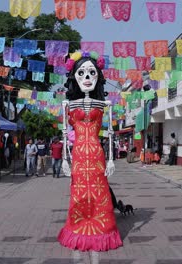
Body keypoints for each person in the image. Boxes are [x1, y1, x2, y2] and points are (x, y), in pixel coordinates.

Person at [58, 50, 122, 257]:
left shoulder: (105, 104)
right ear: (74, 77)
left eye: (92, 73)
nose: (87, 77)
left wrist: (112, 159)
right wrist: (64, 160)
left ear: (98, 77)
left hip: (96, 152)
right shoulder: (67, 104)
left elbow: (111, 133)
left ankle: (102, 228)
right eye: (82, 73)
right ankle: (78, 227)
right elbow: (64, 134)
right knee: (79, 191)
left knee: (100, 190)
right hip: (77, 154)